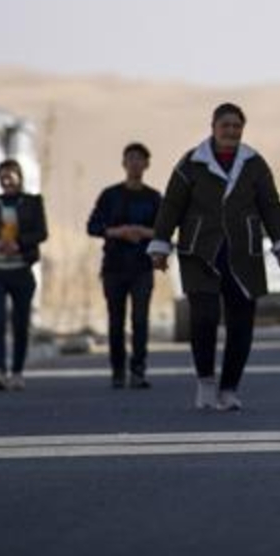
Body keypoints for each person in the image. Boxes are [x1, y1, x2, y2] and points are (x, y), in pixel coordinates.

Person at [148, 103, 280, 411]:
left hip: (244, 255)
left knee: (241, 324)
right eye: (225, 125)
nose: (231, 131)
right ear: (213, 127)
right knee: (204, 318)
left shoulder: (254, 164)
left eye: (237, 126)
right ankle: (205, 384)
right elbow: (172, 205)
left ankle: (229, 389)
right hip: (200, 252)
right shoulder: (191, 163)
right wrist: (160, 244)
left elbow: (270, 204)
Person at [87, 142, 164, 389]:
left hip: (142, 267)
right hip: (114, 267)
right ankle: (118, 371)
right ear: (123, 163)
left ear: (147, 164)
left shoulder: (154, 198)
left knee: (140, 321)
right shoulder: (110, 196)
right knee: (115, 321)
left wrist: (143, 232)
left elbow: (166, 232)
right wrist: (118, 232)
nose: (134, 163)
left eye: (139, 159)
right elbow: (93, 226)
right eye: (130, 159)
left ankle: (138, 370)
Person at [0, 159, 48, 391]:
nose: (7, 179)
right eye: (3, 175)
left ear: (20, 177)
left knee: (20, 323)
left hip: (21, 271)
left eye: (11, 175)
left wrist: (19, 244)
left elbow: (41, 232)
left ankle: (17, 372)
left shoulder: (33, 203)